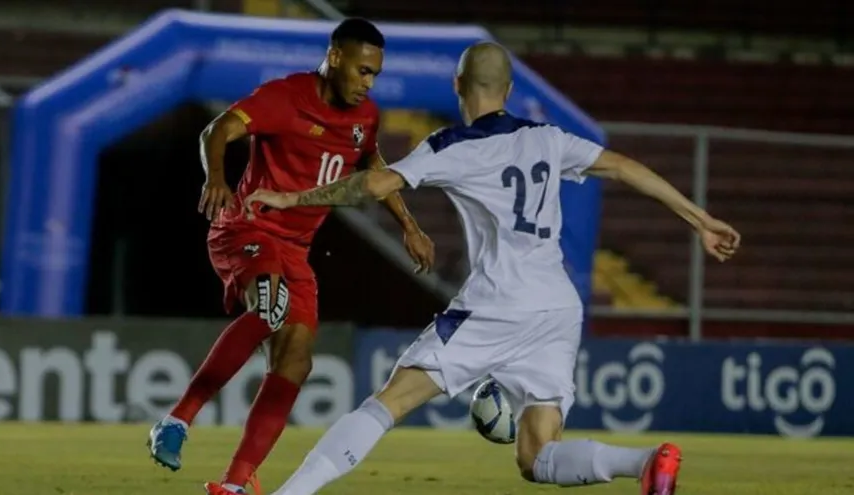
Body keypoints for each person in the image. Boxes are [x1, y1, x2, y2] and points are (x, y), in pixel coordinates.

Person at [244, 41, 741, 495]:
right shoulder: (548, 137)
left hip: (498, 303)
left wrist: (292, 197)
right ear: (508, 89)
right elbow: (624, 167)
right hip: (557, 308)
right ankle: (647, 462)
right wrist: (701, 220)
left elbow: (374, 185)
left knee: (388, 401)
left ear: (457, 85)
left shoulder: (453, 145)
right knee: (536, 457)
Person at [145, 18, 436, 495]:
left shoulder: (365, 117)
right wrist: (216, 176)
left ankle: (235, 485)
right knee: (269, 304)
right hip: (247, 227)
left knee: (296, 359)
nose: (368, 83)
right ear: (335, 57)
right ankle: (177, 420)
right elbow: (217, 130)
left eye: (375, 74)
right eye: (362, 70)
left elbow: (372, 167)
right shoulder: (284, 97)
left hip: (296, 249)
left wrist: (409, 225)